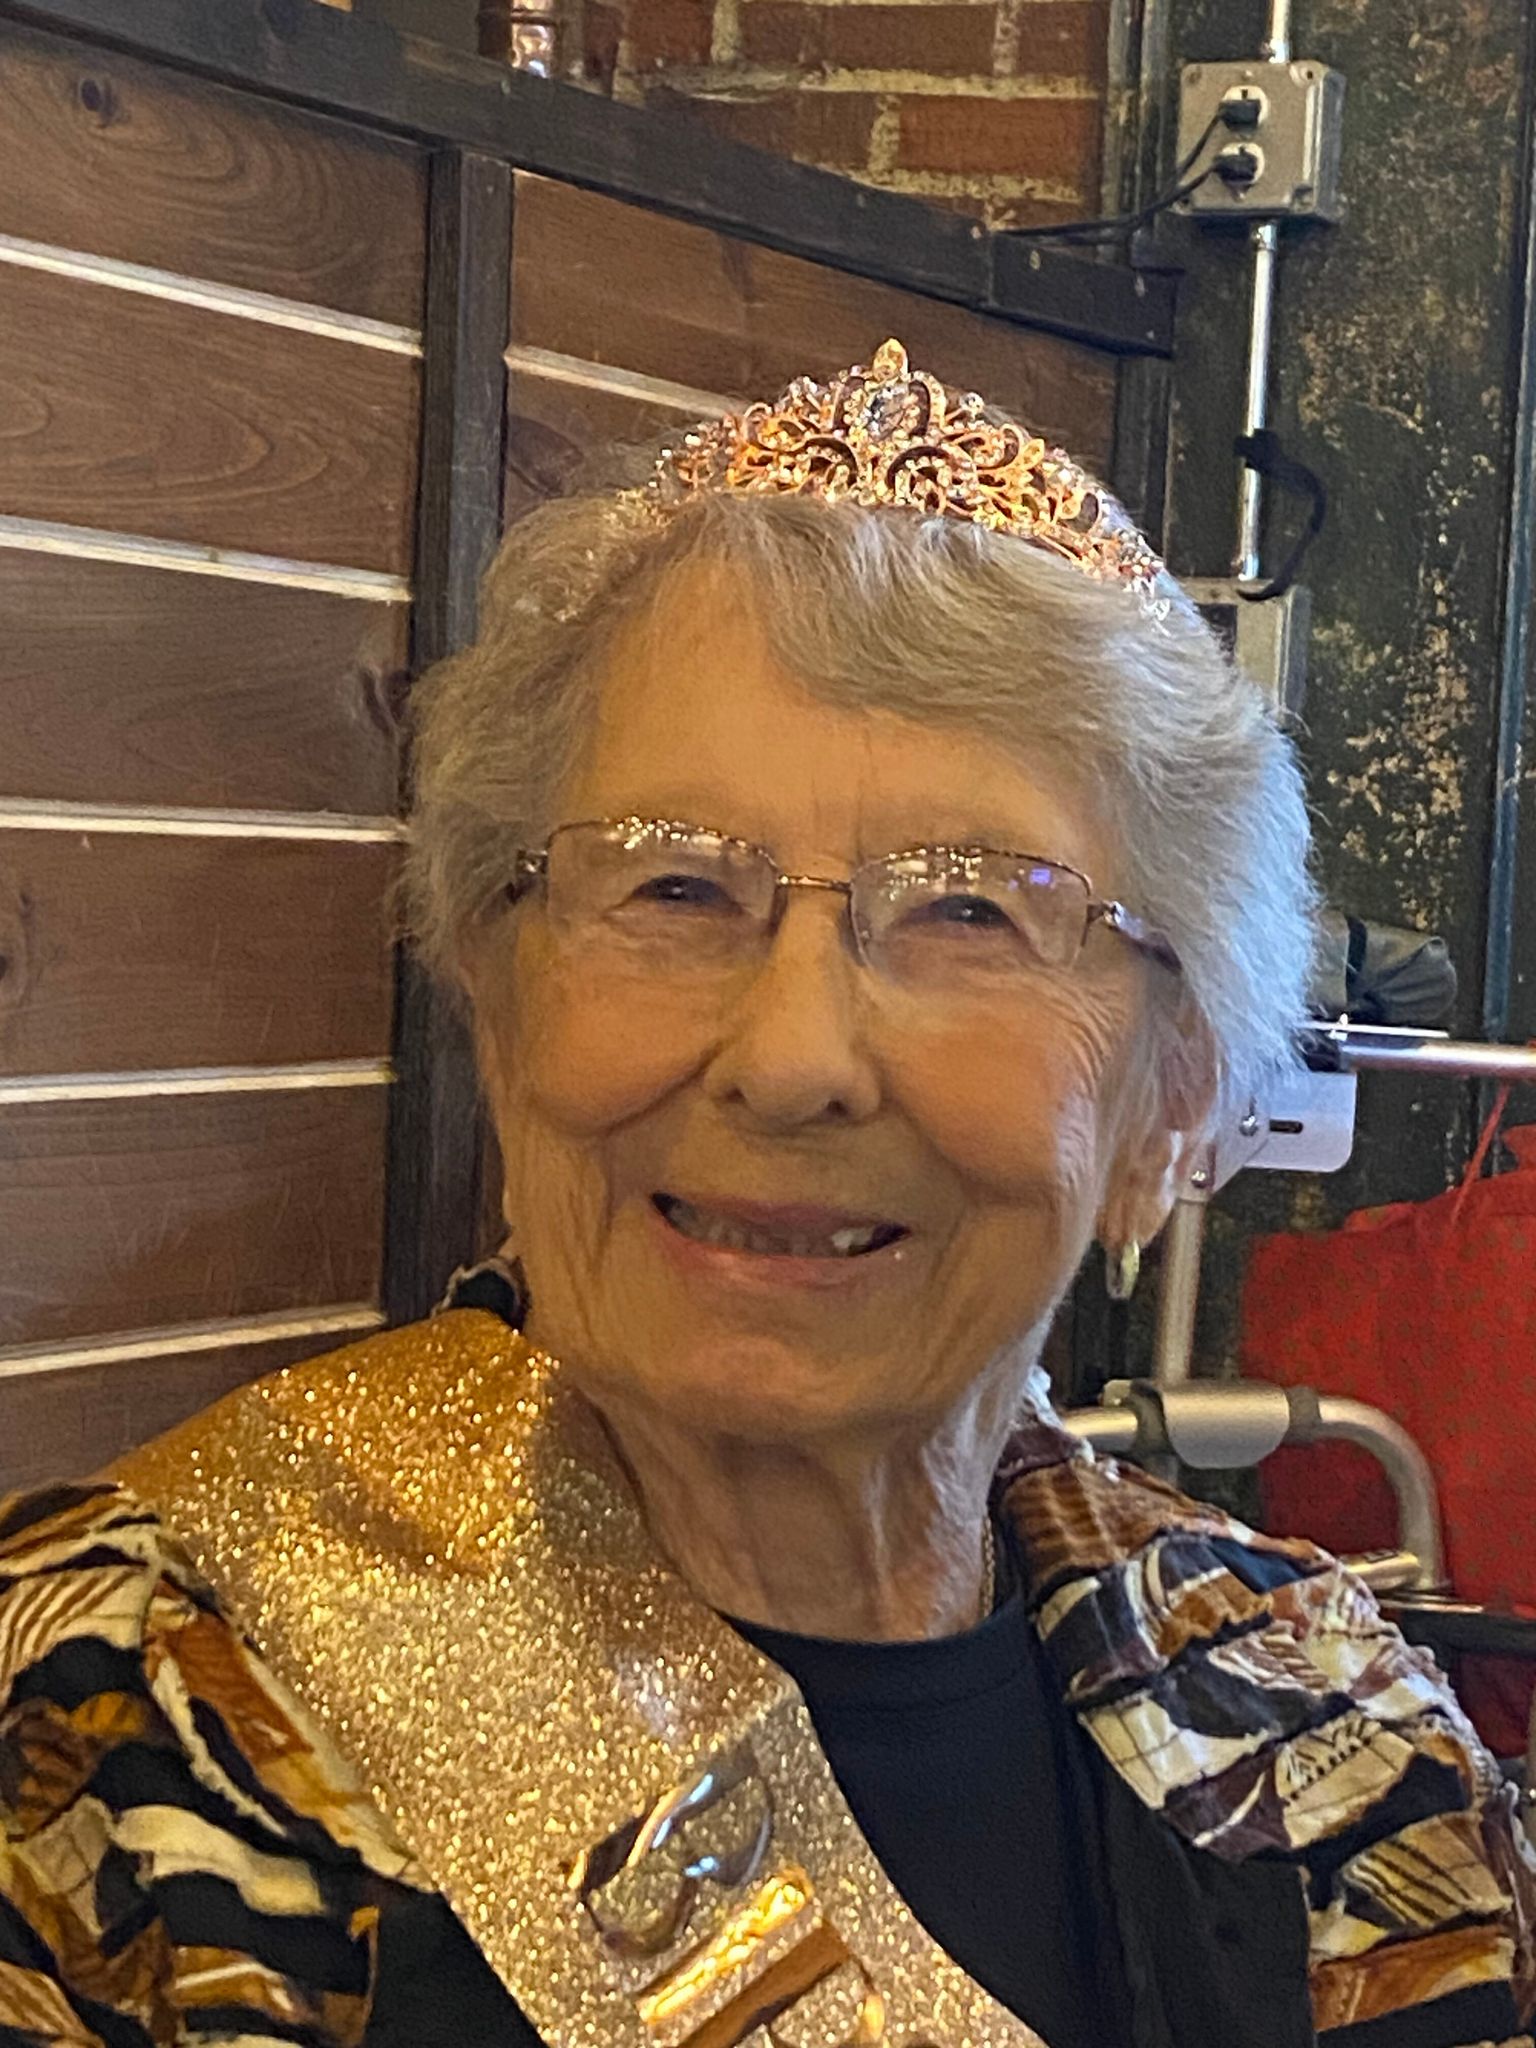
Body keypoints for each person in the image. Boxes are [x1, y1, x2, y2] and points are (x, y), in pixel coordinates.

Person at [0, 340, 1529, 2048]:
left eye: (971, 912)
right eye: (672, 889)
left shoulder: (1339, 1742)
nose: (794, 1058)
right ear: (499, 1006)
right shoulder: (115, 1721)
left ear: (1171, 1097)